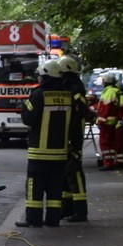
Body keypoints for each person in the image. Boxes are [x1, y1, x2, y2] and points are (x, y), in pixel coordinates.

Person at [16, 60, 73, 228]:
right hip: (60, 153)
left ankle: (33, 220)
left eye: (40, 76)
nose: (39, 79)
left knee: (35, 187)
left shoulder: (38, 94)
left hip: (39, 152)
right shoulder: (67, 95)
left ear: (46, 76)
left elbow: (28, 119)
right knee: (55, 188)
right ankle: (53, 219)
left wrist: (25, 106)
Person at [57, 56, 91, 221]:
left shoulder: (75, 90)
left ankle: (80, 211)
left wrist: (74, 143)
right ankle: (68, 208)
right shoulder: (70, 87)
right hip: (68, 136)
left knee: (75, 171)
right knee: (66, 173)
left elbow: (78, 116)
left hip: (74, 137)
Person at [95, 72, 123, 170]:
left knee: (104, 143)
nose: (101, 82)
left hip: (107, 123)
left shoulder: (109, 92)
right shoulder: (116, 91)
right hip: (114, 123)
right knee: (111, 143)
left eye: (102, 80)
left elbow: (105, 109)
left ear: (106, 81)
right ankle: (110, 162)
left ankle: (108, 163)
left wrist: (100, 122)